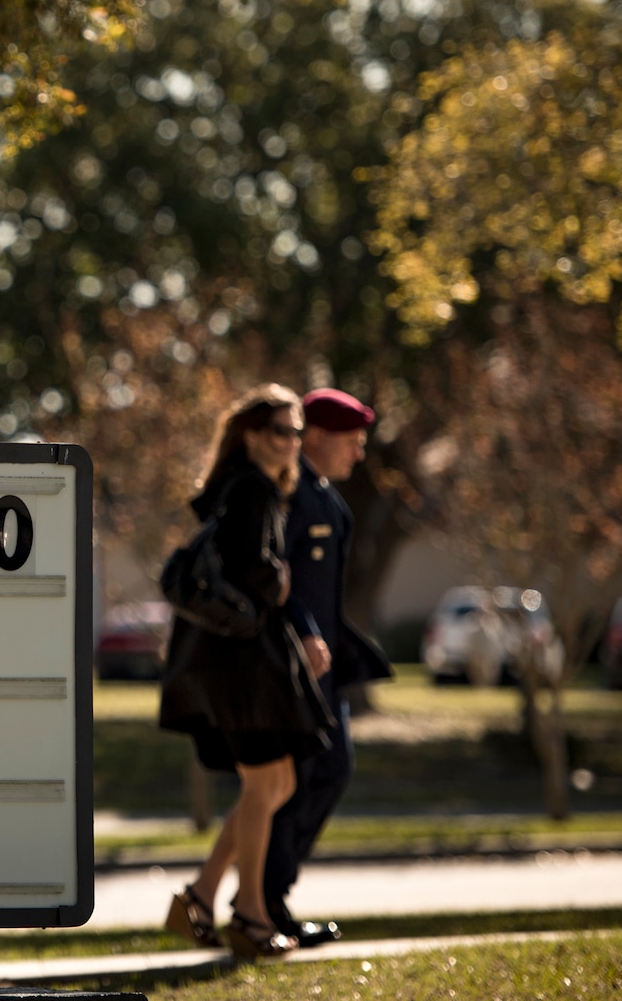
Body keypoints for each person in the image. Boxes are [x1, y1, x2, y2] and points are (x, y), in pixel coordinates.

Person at [158, 384, 334, 959]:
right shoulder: (253, 489)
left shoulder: (242, 488)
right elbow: (252, 570)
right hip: (242, 665)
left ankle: (201, 897)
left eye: (296, 433)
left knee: (276, 783)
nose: (291, 443)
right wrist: (277, 578)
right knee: (266, 785)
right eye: (280, 431)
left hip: (241, 661)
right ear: (252, 436)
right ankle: (250, 916)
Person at [263, 387, 393, 947]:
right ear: (314, 434)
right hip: (293, 667)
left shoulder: (326, 498)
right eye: (352, 441)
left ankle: (267, 900)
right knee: (304, 779)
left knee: (322, 774)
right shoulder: (290, 495)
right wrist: (306, 633)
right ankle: (265, 902)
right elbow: (273, 578)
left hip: (323, 671)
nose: (358, 454)